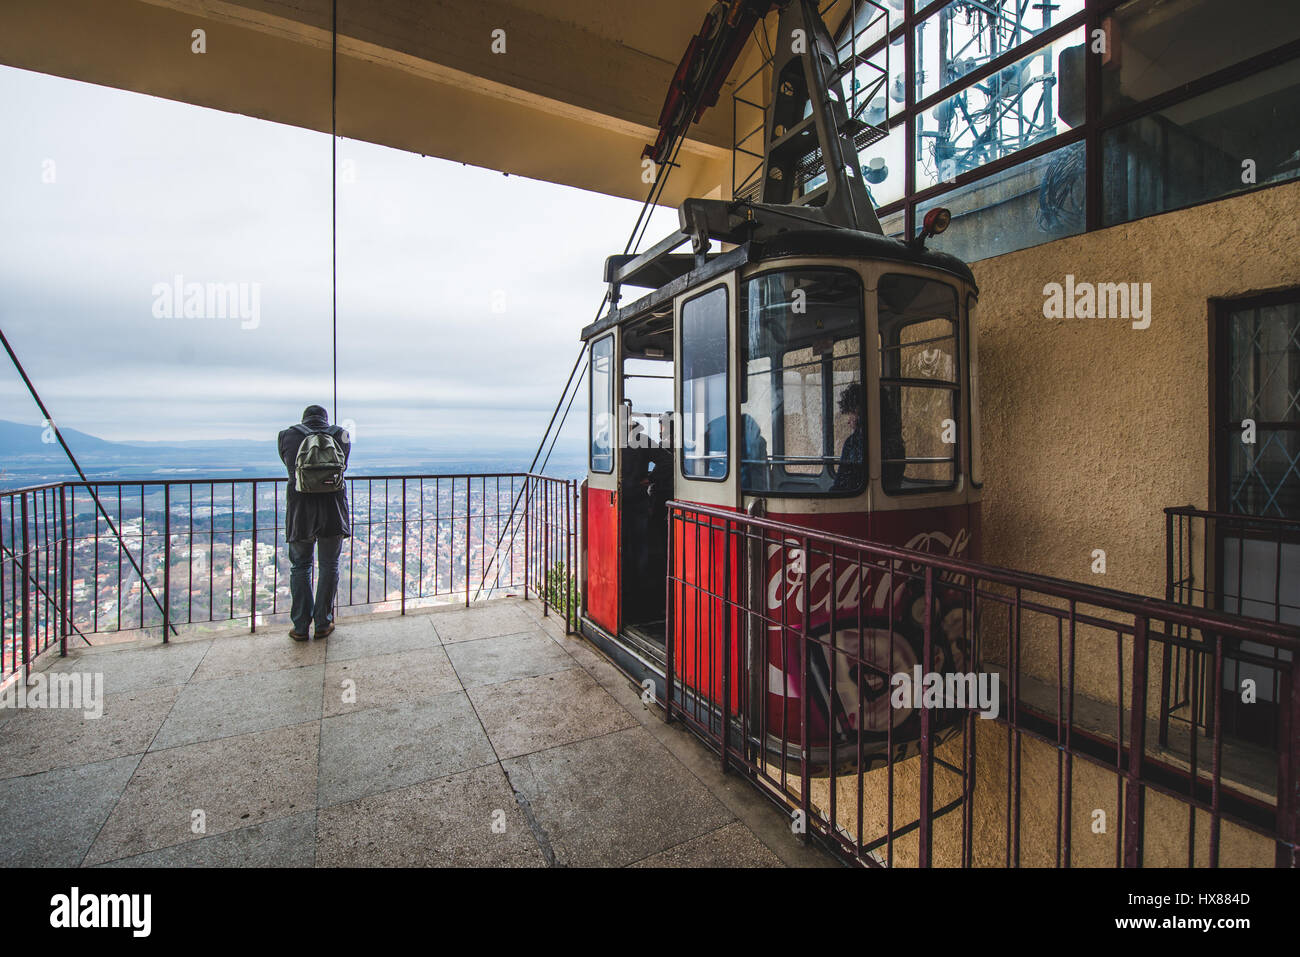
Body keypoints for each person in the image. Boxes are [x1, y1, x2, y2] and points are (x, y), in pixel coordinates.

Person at [277, 405, 351, 641]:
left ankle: (300, 626)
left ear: (304, 418)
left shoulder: (287, 436)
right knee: (329, 565)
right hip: (332, 511)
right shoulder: (340, 435)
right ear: (325, 418)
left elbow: (289, 468)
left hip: (301, 512)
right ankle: (323, 622)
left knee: (300, 566)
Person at [831, 382, 865, 493]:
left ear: (860, 412)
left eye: (852, 413)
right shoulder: (893, 440)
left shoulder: (852, 443)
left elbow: (841, 481)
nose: (848, 421)